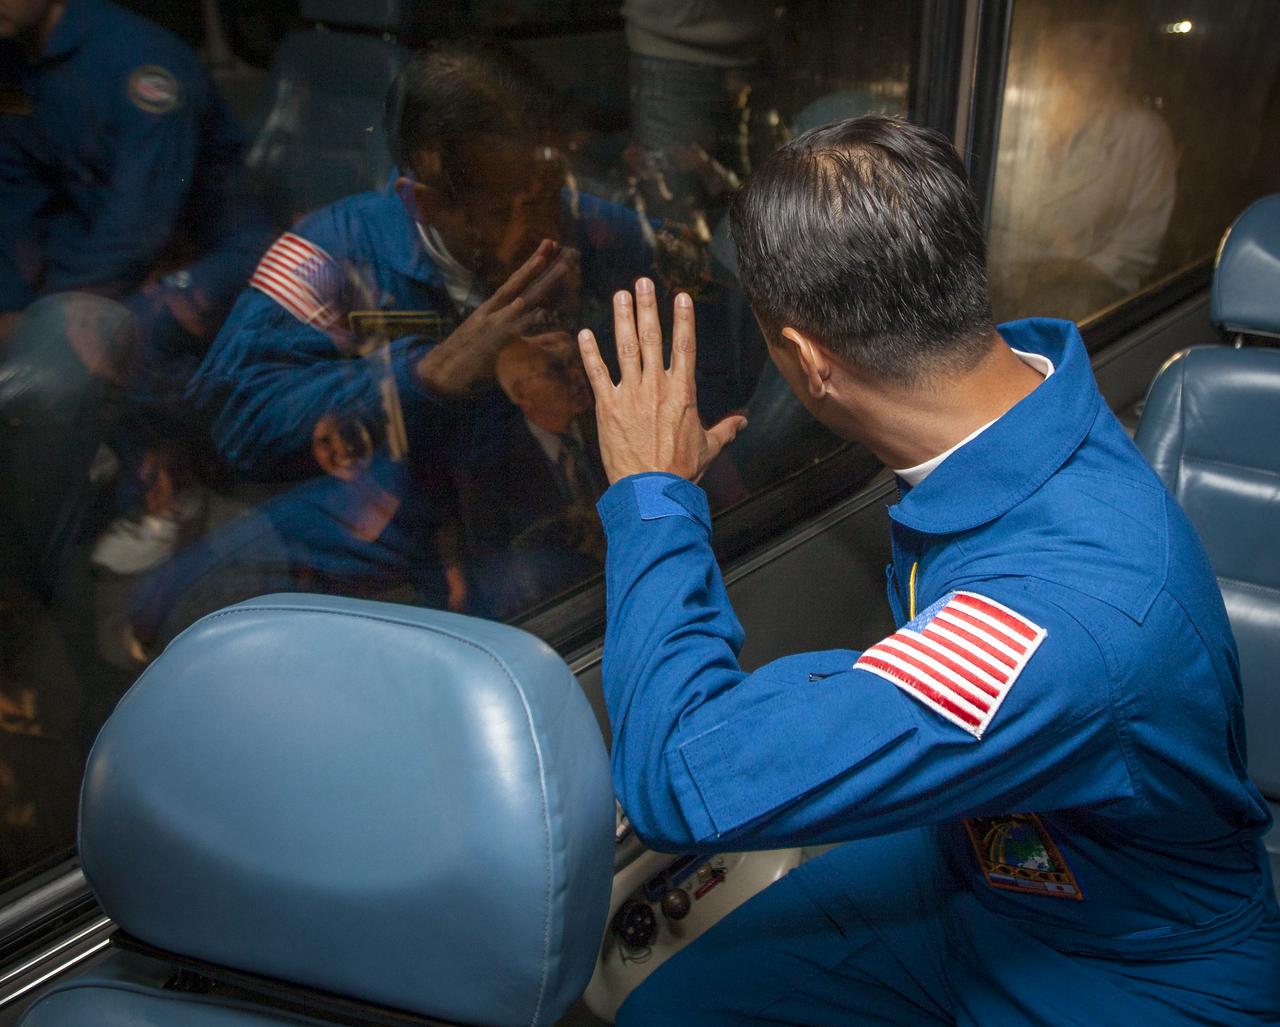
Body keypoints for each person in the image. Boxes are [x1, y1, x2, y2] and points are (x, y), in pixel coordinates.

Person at [576, 116, 1280, 1024]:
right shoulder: (1025, 403)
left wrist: (652, 501)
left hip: (1132, 963)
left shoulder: (1061, 620)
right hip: (986, 856)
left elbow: (678, 776)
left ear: (808, 362)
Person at [0, 0, 272, 583]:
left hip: (215, 248)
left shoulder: (139, 63)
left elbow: (142, 220)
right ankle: (96, 444)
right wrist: (13, 303)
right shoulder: (20, 64)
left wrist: (59, 309)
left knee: (132, 327)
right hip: (112, 242)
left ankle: (168, 494)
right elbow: (18, 198)